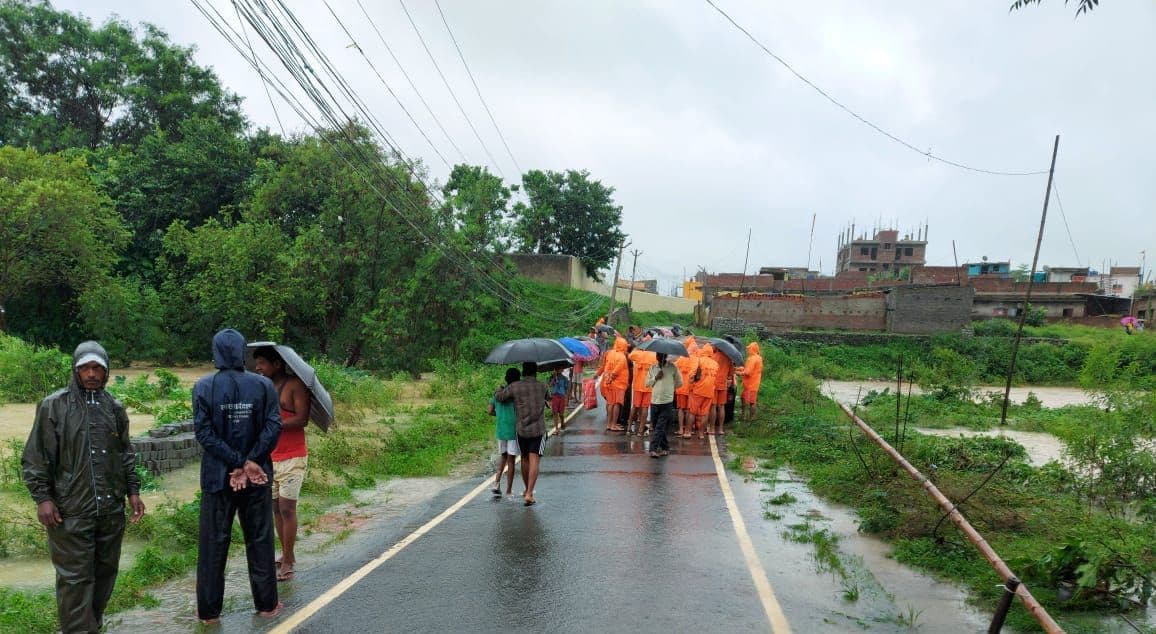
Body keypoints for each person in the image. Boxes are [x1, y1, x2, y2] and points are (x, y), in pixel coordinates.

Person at [22, 341, 146, 634]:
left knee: (104, 574)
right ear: (75, 370)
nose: (91, 374)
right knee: (75, 580)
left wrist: (133, 491)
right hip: (70, 511)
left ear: (106, 371)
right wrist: (43, 498)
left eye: (97, 368)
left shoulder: (113, 408)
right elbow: (36, 456)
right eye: (85, 368)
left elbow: (125, 453)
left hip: (110, 511)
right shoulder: (54, 405)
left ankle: (92, 627)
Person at [194, 329, 283, 623]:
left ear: (216, 352)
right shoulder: (263, 386)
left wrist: (237, 463)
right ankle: (267, 605)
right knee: (259, 539)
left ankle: (208, 613)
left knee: (212, 544)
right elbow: (273, 426)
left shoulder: (203, 387)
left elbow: (204, 434)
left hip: (218, 478)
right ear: (243, 352)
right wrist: (251, 461)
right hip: (256, 477)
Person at [252, 346, 311, 583]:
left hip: (293, 457)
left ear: (277, 364)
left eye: (263, 363)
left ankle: (287, 561)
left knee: (287, 508)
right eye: (257, 364)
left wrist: (273, 425)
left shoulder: (295, 385)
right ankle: (288, 554)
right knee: (275, 508)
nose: (258, 368)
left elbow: (302, 419)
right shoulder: (264, 387)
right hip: (271, 457)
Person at [495, 362, 549, 507]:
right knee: (534, 459)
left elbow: (500, 397)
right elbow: (547, 399)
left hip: (521, 430)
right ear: (535, 372)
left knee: (524, 459)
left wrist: (499, 389)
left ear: (523, 372)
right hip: (538, 429)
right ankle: (529, 493)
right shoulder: (543, 386)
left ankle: (526, 490)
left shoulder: (515, 386)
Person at [487, 367, 521, 496]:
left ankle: (496, 483)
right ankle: (508, 490)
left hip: (500, 430)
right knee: (511, 460)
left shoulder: (497, 393)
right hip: (512, 430)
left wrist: (500, 414)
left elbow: (490, 411)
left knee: (503, 457)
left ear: (506, 378)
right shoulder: (515, 395)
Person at [646, 353, 683, 458]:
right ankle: (665, 448)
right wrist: (656, 378)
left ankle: (653, 449)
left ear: (665, 357)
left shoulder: (673, 368)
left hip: (667, 401)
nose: (660, 358)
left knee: (659, 426)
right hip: (655, 401)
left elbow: (680, 383)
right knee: (657, 426)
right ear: (657, 357)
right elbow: (647, 383)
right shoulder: (653, 368)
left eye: (662, 356)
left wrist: (670, 388)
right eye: (659, 356)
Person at [595, 337, 630, 432]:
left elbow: (603, 366)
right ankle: (614, 425)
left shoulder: (609, 353)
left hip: (607, 382)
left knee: (610, 403)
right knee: (617, 404)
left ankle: (609, 424)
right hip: (618, 384)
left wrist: (598, 375)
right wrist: (611, 379)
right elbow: (616, 371)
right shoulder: (622, 357)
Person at [627, 346, 658, 436]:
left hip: (637, 385)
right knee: (645, 407)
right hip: (648, 386)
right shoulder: (654, 355)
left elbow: (630, 355)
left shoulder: (638, 354)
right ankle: (640, 431)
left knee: (635, 406)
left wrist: (637, 348)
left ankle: (629, 429)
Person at [690, 345, 718, 439]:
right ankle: (701, 434)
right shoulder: (715, 364)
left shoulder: (699, 360)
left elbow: (692, 374)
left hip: (698, 390)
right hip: (710, 391)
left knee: (692, 412)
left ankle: (688, 432)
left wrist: (691, 384)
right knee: (705, 413)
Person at [735, 341, 764, 421]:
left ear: (753, 349)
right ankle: (749, 417)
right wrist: (740, 368)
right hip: (754, 383)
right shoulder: (758, 357)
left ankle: (747, 417)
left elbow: (748, 372)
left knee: (748, 401)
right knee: (749, 400)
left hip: (750, 384)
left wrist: (738, 373)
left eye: (749, 348)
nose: (748, 350)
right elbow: (751, 369)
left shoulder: (752, 359)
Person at [711, 344, 734, 436]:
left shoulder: (713, 357)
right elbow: (731, 374)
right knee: (721, 407)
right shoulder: (729, 359)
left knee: (713, 406)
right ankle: (720, 429)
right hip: (723, 385)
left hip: (713, 385)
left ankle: (711, 428)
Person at [674, 351, 698, 438]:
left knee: (681, 409)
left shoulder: (681, 358)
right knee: (689, 409)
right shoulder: (695, 360)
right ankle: (689, 429)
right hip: (690, 388)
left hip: (680, 387)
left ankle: (680, 429)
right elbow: (694, 373)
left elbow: (674, 367)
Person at [547, 366, 570, 435]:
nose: (558, 370)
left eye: (560, 368)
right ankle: (556, 428)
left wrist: (566, 399)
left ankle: (562, 422)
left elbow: (567, 389)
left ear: (562, 370)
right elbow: (549, 385)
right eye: (557, 369)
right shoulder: (552, 377)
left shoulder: (564, 378)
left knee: (561, 414)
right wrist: (554, 378)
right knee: (555, 413)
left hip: (562, 397)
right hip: (554, 396)